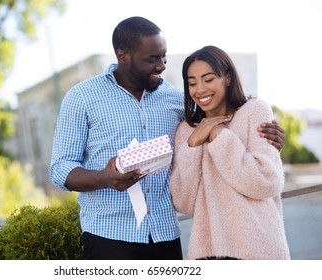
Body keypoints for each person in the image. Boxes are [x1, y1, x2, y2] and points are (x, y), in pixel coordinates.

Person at [49, 17, 286, 260]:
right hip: (109, 235)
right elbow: (60, 168)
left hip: (165, 236)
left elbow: (220, 125)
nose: (162, 66)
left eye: (163, 56)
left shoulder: (176, 101)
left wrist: (271, 140)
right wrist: (104, 178)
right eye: (152, 59)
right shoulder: (82, 97)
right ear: (123, 55)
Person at [169, 45, 290, 260]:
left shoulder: (254, 111)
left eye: (208, 79)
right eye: (192, 83)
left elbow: (265, 181)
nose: (200, 89)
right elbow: (184, 202)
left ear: (227, 78)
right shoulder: (187, 132)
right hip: (209, 253)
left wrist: (217, 133)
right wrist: (193, 144)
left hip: (259, 250)